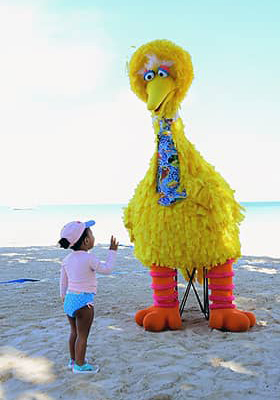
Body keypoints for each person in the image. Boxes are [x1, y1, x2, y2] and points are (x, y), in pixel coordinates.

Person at [58, 220, 118, 374]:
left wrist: (63, 297)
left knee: (74, 332)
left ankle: (73, 361)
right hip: (84, 302)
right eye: (91, 235)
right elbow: (107, 269)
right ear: (86, 241)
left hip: (70, 301)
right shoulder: (89, 258)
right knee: (83, 336)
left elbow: (63, 282)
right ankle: (80, 365)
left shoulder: (66, 260)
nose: (93, 237)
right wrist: (112, 251)